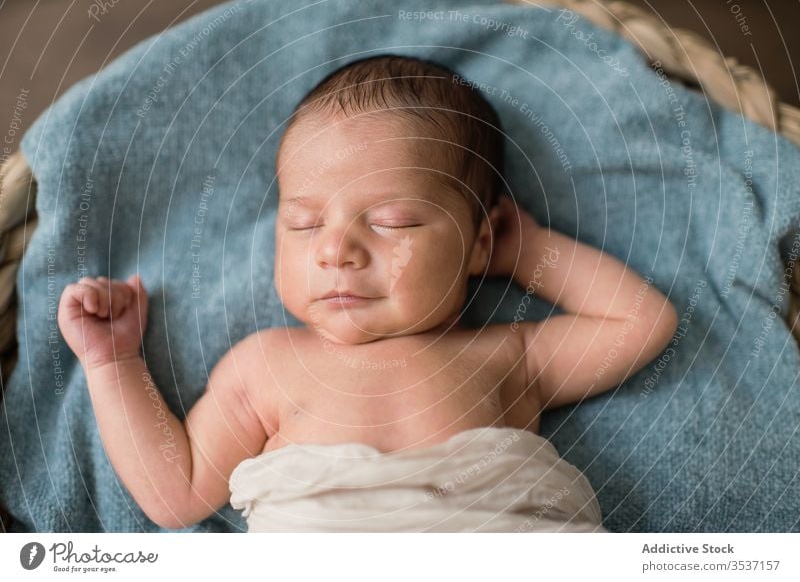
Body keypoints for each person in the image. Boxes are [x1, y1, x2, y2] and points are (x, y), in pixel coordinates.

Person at [57, 55, 678, 532]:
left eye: (393, 222)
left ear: (477, 243)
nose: (335, 249)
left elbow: (639, 323)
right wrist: (113, 363)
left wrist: (529, 252)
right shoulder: (266, 365)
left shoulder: (505, 357)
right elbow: (176, 491)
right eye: (303, 224)